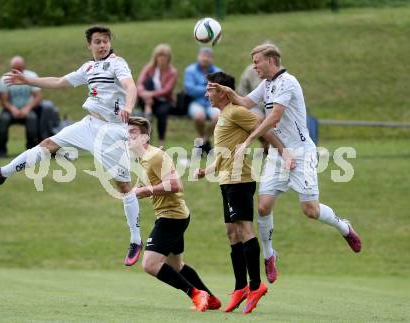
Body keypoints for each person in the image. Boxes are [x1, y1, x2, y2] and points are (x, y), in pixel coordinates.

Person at [0, 25, 143, 266]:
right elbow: (58, 81)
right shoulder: (89, 68)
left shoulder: (118, 63)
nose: (102, 45)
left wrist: (128, 106)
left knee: (124, 186)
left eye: (105, 41)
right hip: (88, 124)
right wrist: (27, 79)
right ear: (89, 46)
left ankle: (135, 239)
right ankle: (2, 173)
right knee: (48, 144)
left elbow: (131, 86)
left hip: (111, 132)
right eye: (97, 41)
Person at [210, 43, 362, 284]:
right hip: (278, 156)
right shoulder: (266, 85)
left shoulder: (288, 82)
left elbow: (274, 117)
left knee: (310, 210)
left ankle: (344, 226)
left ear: (271, 61)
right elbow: (245, 103)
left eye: (257, 61)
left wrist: (250, 139)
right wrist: (228, 92)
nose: (254, 65)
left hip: (301, 153)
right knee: (263, 207)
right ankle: (270, 255)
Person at [195, 72, 289, 314]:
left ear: (223, 92)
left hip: (241, 180)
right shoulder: (223, 115)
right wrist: (208, 170)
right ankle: (240, 287)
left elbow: (264, 129)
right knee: (231, 234)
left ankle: (256, 286)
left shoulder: (237, 112)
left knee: (245, 231)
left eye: (210, 89)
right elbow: (226, 151)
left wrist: (283, 151)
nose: (206, 94)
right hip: (226, 181)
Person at [128, 117, 221, 312]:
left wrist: (145, 191)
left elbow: (175, 184)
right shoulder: (142, 158)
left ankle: (196, 294)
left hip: (171, 217)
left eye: (133, 132)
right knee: (177, 265)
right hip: (175, 215)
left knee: (150, 264)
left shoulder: (155, 156)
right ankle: (211, 299)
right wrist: (132, 193)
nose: (128, 136)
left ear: (145, 137)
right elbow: (145, 184)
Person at [0, 56, 42, 156]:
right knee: (3, 120)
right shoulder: (5, 78)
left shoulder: (32, 76)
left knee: (32, 119)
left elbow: (38, 97)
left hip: (27, 109)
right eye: (14, 69)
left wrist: (27, 108)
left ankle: (31, 150)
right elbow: (3, 101)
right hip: (10, 110)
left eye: (19, 68)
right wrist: (12, 108)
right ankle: (1, 150)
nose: (16, 71)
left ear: (24, 67)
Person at [137, 44, 178, 148]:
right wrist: (145, 94)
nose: (162, 58)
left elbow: (167, 90)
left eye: (164, 55)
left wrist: (150, 94)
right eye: (160, 55)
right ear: (155, 57)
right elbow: (140, 84)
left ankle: (161, 143)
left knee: (162, 113)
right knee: (148, 81)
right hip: (147, 99)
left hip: (163, 100)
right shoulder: (149, 68)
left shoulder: (172, 72)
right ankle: (146, 142)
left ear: (169, 58)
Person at [184, 47, 221, 154]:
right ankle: (205, 141)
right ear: (198, 57)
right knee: (198, 116)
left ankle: (202, 141)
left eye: (208, 56)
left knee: (219, 117)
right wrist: (209, 89)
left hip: (213, 102)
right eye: (203, 56)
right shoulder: (190, 70)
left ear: (212, 59)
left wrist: (202, 89)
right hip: (196, 102)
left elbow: (219, 90)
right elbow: (190, 90)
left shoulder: (218, 72)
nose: (205, 59)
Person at [237, 64, 267, 149]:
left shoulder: (282, 75)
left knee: (272, 122)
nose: (256, 66)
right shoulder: (249, 71)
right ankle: (266, 144)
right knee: (255, 119)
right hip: (255, 105)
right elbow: (242, 93)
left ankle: (270, 146)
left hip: (274, 107)